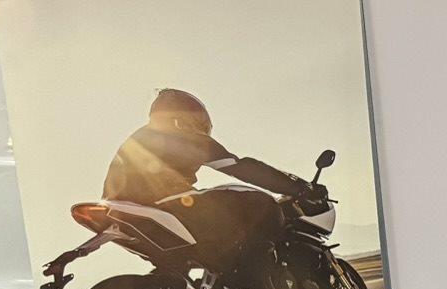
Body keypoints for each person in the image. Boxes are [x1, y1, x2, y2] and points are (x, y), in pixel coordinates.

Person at [101, 89, 315, 269]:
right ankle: (257, 278)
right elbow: (239, 167)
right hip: (162, 204)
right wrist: (297, 187)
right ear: (188, 117)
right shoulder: (178, 135)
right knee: (263, 205)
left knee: (181, 264)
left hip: (124, 212)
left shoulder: (138, 140)